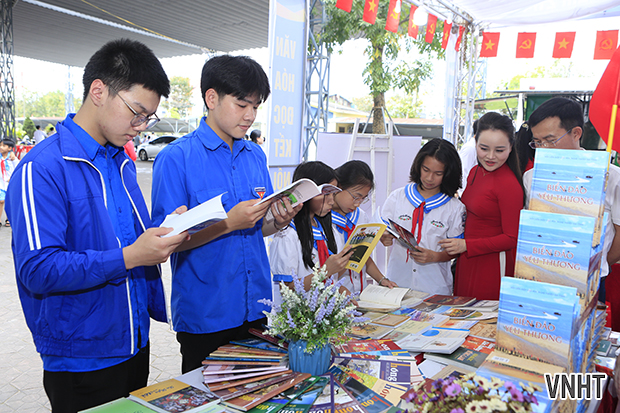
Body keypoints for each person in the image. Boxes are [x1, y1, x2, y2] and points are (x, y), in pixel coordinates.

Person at [5, 39, 189, 412]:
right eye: (136, 112)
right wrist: (131, 256)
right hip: (82, 357)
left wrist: (169, 229)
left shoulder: (119, 162)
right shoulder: (42, 168)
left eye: (148, 118)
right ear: (99, 91)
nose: (141, 126)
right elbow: (37, 269)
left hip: (133, 341)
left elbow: (126, 238)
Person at [151, 55, 300, 374]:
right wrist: (228, 223)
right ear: (211, 98)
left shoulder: (255, 156)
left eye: (256, 106)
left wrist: (278, 221)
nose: (250, 116)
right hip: (207, 315)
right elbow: (165, 244)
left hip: (256, 307)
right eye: (242, 104)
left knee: (256, 393)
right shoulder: (176, 158)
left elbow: (256, 228)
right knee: (208, 397)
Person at [523, 97, 620, 299]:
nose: (542, 148)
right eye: (537, 142)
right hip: (542, 279)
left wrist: (599, 263)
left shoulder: (610, 177)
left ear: (576, 133)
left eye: (550, 140)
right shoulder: (532, 177)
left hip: (591, 282)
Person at [440, 112, 525, 300]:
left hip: (492, 264)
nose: (491, 156)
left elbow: (512, 238)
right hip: (467, 259)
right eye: (484, 148)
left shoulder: (509, 185)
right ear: (475, 143)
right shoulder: (475, 172)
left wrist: (467, 245)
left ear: (511, 147)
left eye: (500, 150)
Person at [381, 138, 466, 295]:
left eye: (438, 173)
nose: (429, 178)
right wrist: (383, 237)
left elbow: (455, 250)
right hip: (397, 284)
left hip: (435, 287)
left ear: (448, 174)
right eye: (425, 170)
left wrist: (435, 256)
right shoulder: (398, 197)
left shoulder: (455, 208)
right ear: (418, 165)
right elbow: (380, 230)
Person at [270, 161, 354, 303]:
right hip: (297, 314)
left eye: (333, 194)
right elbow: (286, 290)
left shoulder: (327, 229)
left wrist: (340, 290)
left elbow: (330, 279)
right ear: (305, 192)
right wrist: (325, 271)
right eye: (325, 194)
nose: (331, 201)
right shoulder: (287, 234)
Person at [331, 160, 397, 293]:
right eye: (356, 197)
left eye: (363, 198)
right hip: (336, 295)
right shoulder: (322, 220)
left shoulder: (360, 216)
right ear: (339, 187)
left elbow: (363, 256)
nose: (358, 203)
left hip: (360, 294)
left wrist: (382, 280)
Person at [0, 138, 19, 227]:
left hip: (10, 183)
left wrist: (12, 178)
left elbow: (18, 168)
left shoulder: (12, 158)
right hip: (1, 183)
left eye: (4, 146)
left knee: (10, 201)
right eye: (0, 145)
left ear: (10, 148)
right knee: (1, 201)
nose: (1, 147)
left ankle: (9, 218)